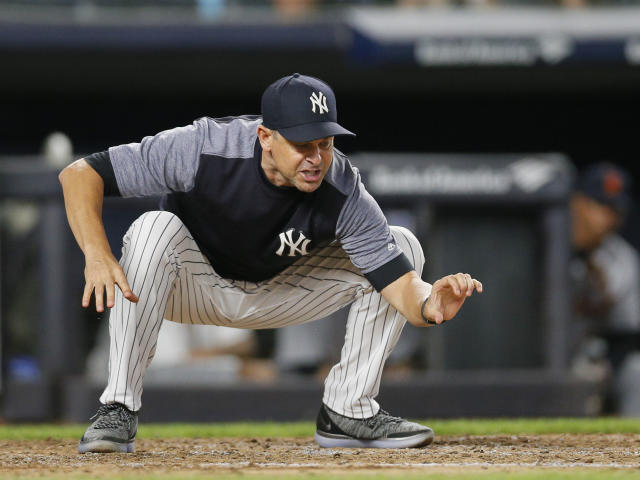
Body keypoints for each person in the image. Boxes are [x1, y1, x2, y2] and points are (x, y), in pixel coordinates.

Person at [59, 73, 482, 453]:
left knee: (402, 243)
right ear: (265, 136)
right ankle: (118, 406)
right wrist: (97, 254)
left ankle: (348, 411)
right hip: (192, 286)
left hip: (281, 291)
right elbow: (80, 174)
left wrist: (429, 305)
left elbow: (398, 284)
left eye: (325, 143)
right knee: (153, 227)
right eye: (302, 144)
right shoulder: (205, 148)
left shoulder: (341, 187)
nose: (316, 157)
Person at [570, 163, 640, 397]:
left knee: (636, 370)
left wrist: (589, 257)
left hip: (588, 357)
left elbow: (623, 332)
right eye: (598, 205)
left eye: (614, 210)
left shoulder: (621, 259)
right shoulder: (541, 244)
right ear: (576, 203)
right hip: (537, 356)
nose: (606, 217)